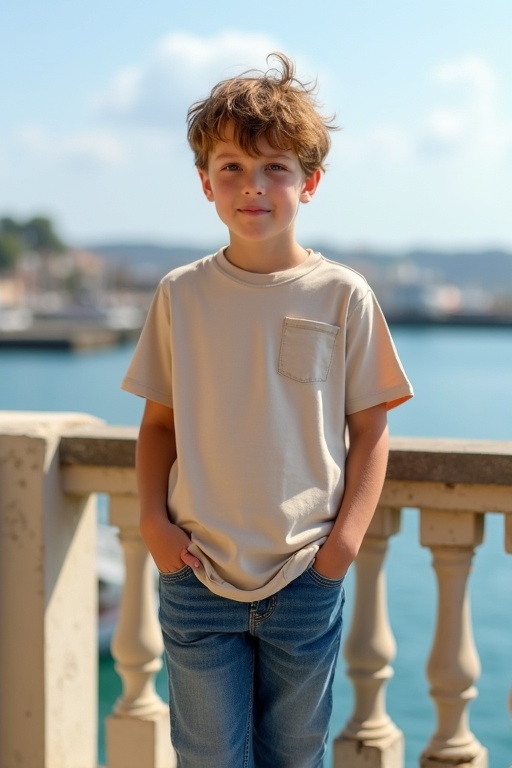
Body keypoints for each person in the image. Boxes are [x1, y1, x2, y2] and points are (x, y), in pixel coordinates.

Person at [121, 52, 413, 768]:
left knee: (295, 755)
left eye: (276, 168)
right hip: (196, 573)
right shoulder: (179, 295)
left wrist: (338, 551)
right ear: (205, 185)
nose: (253, 187)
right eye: (231, 169)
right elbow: (158, 425)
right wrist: (154, 525)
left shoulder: (344, 296)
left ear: (309, 182)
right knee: (209, 757)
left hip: (304, 576)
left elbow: (371, 431)